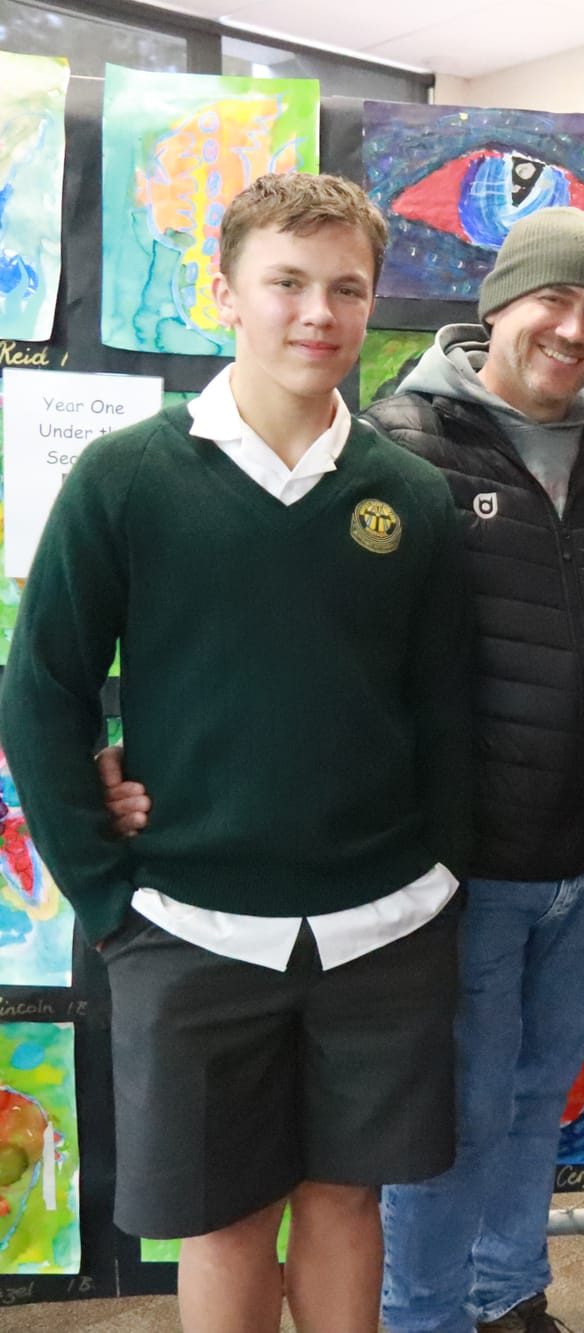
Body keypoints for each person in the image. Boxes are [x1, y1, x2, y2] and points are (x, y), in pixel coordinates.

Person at [101, 203, 584, 1333]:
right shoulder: (400, 444)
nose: (573, 329)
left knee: (539, 1092)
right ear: (496, 306)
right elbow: (302, 662)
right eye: (552, 299)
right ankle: (425, 1315)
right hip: (456, 867)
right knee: (449, 1120)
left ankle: (508, 1291)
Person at [2, 173, 473, 1332]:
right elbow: (44, 688)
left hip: (384, 926)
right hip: (188, 928)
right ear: (224, 293)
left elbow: (450, 710)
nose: (318, 312)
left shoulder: (411, 497)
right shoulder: (127, 477)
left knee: (346, 1197)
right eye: (287, 282)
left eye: (346, 288)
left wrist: (443, 872)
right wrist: (105, 893)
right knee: (221, 1219)